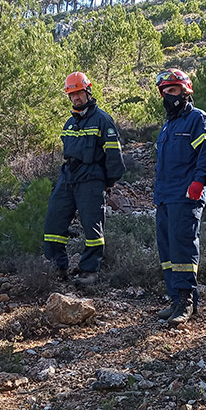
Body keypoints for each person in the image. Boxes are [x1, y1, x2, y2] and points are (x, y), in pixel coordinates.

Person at [43, 72, 125, 285]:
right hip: (68, 177)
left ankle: (89, 271)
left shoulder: (103, 120)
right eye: (72, 94)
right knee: (54, 222)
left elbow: (114, 156)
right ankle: (57, 266)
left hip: (91, 178)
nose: (76, 98)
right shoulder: (70, 123)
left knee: (92, 226)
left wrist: (108, 182)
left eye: (79, 93)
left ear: (88, 91)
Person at [153, 68, 206, 326]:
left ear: (185, 91)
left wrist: (200, 181)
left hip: (186, 195)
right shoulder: (168, 126)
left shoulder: (197, 119)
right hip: (165, 196)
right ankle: (174, 299)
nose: (169, 96)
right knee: (167, 249)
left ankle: (186, 301)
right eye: (165, 92)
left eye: (173, 90)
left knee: (183, 247)